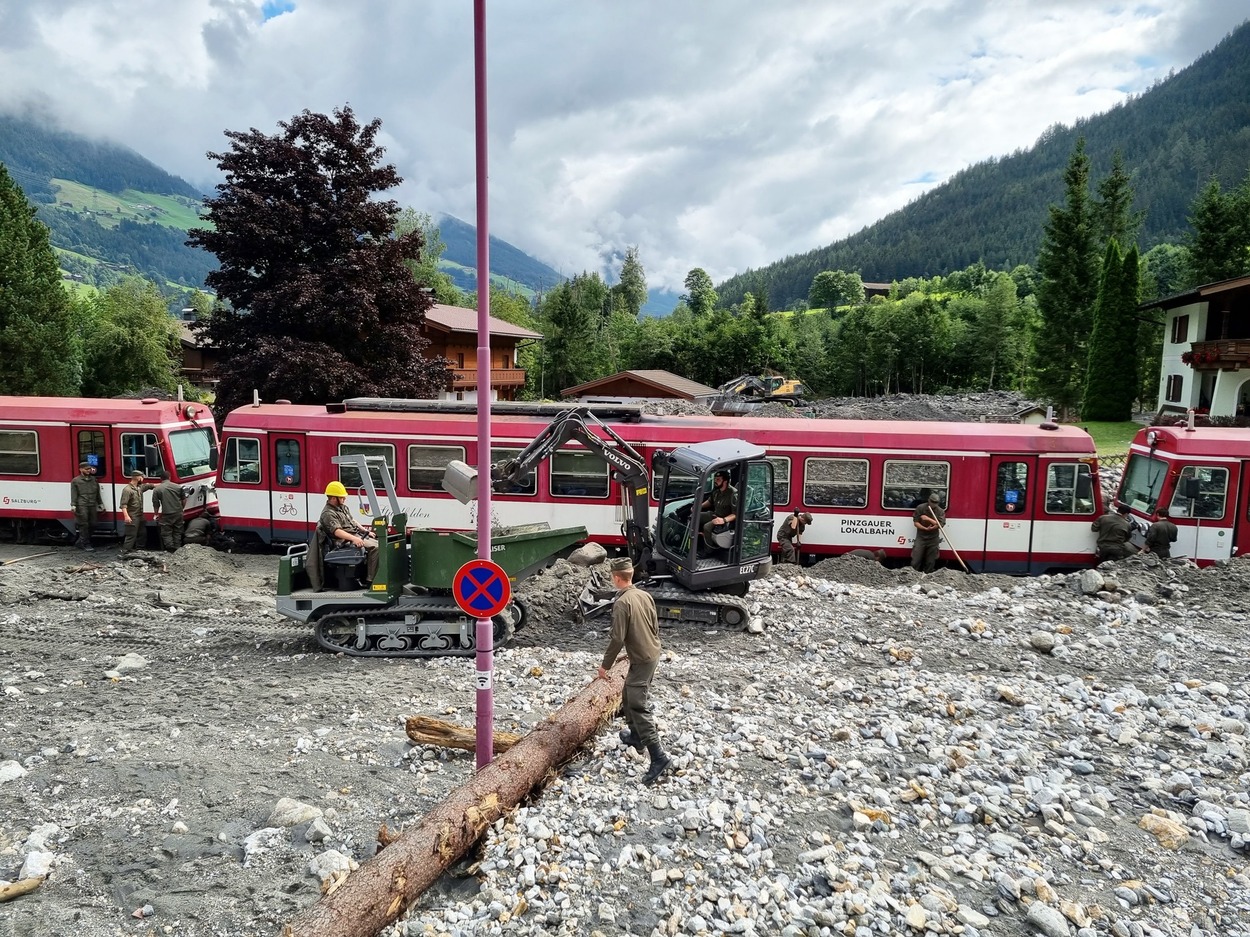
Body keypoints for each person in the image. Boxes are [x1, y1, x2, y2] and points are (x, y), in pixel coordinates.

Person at [597, 557, 671, 786]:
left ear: (617, 578)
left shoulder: (622, 603)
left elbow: (617, 637)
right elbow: (654, 625)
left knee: (638, 705)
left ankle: (658, 757)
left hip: (642, 658)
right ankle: (636, 737)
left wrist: (605, 665)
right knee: (628, 696)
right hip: (651, 654)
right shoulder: (644, 595)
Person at [319, 481, 379, 582]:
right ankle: (371, 580)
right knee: (375, 548)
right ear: (333, 498)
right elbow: (337, 531)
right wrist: (354, 539)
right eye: (342, 497)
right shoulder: (328, 513)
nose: (344, 499)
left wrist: (365, 531)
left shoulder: (342, 508)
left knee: (381, 543)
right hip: (343, 541)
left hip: (354, 536)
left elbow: (352, 520)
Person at [118, 471, 156, 556]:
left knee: (142, 533)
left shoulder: (139, 487)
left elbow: (149, 486)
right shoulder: (127, 490)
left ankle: (140, 549)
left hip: (140, 515)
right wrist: (126, 516)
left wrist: (163, 485)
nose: (143, 479)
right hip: (132, 516)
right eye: (142, 477)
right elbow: (123, 505)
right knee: (131, 535)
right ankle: (125, 552)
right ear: (137, 477)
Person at [69, 460, 104, 552]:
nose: (89, 470)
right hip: (81, 504)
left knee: (94, 523)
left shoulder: (93, 479)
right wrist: (73, 505)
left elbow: (97, 492)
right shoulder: (75, 481)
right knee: (83, 524)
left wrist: (100, 503)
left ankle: (80, 541)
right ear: (81, 469)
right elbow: (74, 494)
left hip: (92, 503)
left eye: (89, 469)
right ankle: (85, 543)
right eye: (87, 469)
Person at [698, 470, 738, 549]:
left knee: (707, 527)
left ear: (725, 481)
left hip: (724, 520)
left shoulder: (733, 494)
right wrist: (699, 506)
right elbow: (710, 501)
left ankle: (708, 551)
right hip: (714, 514)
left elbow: (735, 514)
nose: (715, 481)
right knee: (695, 516)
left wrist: (724, 520)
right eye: (715, 479)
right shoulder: (716, 490)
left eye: (718, 479)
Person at [151, 470, 187, 553]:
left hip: (166, 514)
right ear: (169, 477)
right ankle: (177, 548)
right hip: (178, 512)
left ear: (161, 478)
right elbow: (184, 499)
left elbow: (156, 504)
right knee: (177, 531)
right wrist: (181, 508)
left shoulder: (157, 489)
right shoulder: (178, 487)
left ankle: (170, 548)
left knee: (166, 532)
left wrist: (156, 514)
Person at [911, 492, 945, 573]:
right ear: (928, 500)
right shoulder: (920, 507)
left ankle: (927, 575)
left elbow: (940, 525)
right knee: (916, 559)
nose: (934, 504)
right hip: (921, 537)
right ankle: (913, 574)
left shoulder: (940, 511)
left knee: (931, 561)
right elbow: (916, 522)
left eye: (936, 502)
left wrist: (928, 519)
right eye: (932, 502)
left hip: (933, 538)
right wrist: (924, 528)